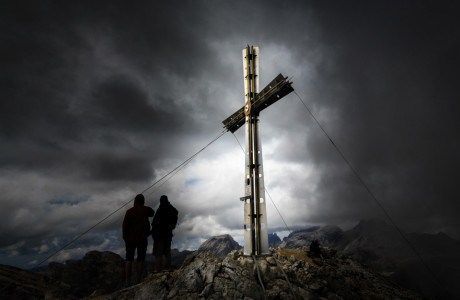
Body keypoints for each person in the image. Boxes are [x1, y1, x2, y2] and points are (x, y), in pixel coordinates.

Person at [122, 194, 154, 284]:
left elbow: (124, 226)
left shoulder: (129, 211)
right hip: (142, 238)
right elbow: (152, 213)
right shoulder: (145, 210)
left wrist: (125, 238)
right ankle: (138, 280)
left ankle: (127, 281)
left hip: (130, 239)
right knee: (141, 260)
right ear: (143, 201)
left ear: (135, 201)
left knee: (129, 260)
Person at [151, 195, 178, 271]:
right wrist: (171, 227)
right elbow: (176, 212)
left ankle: (157, 270)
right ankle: (167, 268)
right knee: (167, 252)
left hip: (159, 235)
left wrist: (154, 233)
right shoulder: (171, 209)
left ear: (160, 201)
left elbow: (155, 223)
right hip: (168, 234)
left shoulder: (160, 209)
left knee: (158, 254)